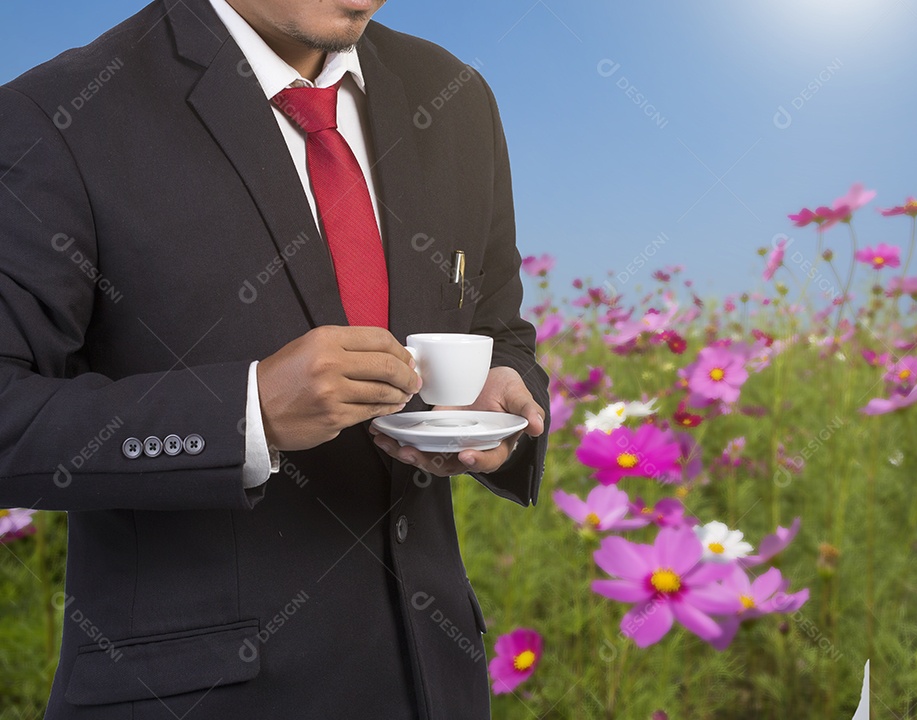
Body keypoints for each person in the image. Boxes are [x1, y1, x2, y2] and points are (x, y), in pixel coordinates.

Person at [0, 0, 548, 717]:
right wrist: (247, 413)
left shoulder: (454, 96)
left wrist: (503, 392)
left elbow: (500, 328)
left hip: (434, 685)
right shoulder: (57, 114)